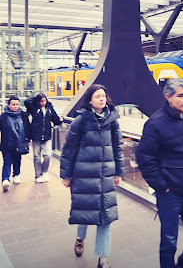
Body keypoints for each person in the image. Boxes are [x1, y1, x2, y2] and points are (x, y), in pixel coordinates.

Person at [136, 78, 183, 268]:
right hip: (170, 194)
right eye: (181, 95)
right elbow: (144, 157)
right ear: (168, 97)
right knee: (169, 241)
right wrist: (161, 186)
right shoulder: (156, 123)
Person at [60, 84, 124, 268]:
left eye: (104, 95)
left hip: (105, 175)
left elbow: (118, 148)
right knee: (86, 210)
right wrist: (66, 174)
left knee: (105, 215)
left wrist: (119, 172)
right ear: (89, 100)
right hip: (84, 174)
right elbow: (69, 149)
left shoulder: (112, 120)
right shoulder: (81, 121)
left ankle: (102, 257)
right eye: (97, 96)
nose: (102, 99)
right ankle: (80, 238)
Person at [24, 93, 63, 182]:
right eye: (41, 101)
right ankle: (38, 175)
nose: (43, 103)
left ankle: (44, 172)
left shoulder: (49, 108)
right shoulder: (34, 108)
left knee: (48, 155)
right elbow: (27, 101)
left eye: (44, 100)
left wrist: (60, 120)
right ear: (37, 102)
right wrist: (36, 96)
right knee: (37, 156)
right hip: (36, 136)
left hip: (47, 136)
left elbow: (55, 119)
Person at [0, 96, 31, 191]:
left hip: (19, 143)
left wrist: (28, 139)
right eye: (13, 104)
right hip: (7, 143)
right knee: (7, 162)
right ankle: (5, 180)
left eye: (17, 104)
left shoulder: (23, 115)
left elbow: (27, 127)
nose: (15, 106)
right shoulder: (3, 116)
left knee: (17, 160)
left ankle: (16, 175)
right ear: (8, 105)